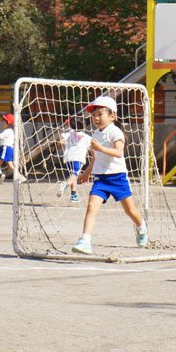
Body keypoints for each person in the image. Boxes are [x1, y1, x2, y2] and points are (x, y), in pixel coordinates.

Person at [72, 96, 148, 255]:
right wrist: (87, 172)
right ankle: (85, 241)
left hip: (118, 177)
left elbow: (119, 152)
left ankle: (141, 227)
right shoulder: (95, 133)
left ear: (112, 116)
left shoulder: (115, 132)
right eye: (94, 115)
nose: (96, 118)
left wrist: (100, 148)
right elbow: (95, 156)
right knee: (91, 207)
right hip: (101, 178)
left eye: (100, 114)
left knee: (130, 211)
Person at [60, 117, 92, 203]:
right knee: (75, 174)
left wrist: (69, 139)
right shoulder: (86, 137)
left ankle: (73, 195)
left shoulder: (69, 134)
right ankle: (65, 184)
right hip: (78, 158)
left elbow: (61, 141)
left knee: (72, 176)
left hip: (68, 157)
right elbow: (92, 146)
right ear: (84, 126)